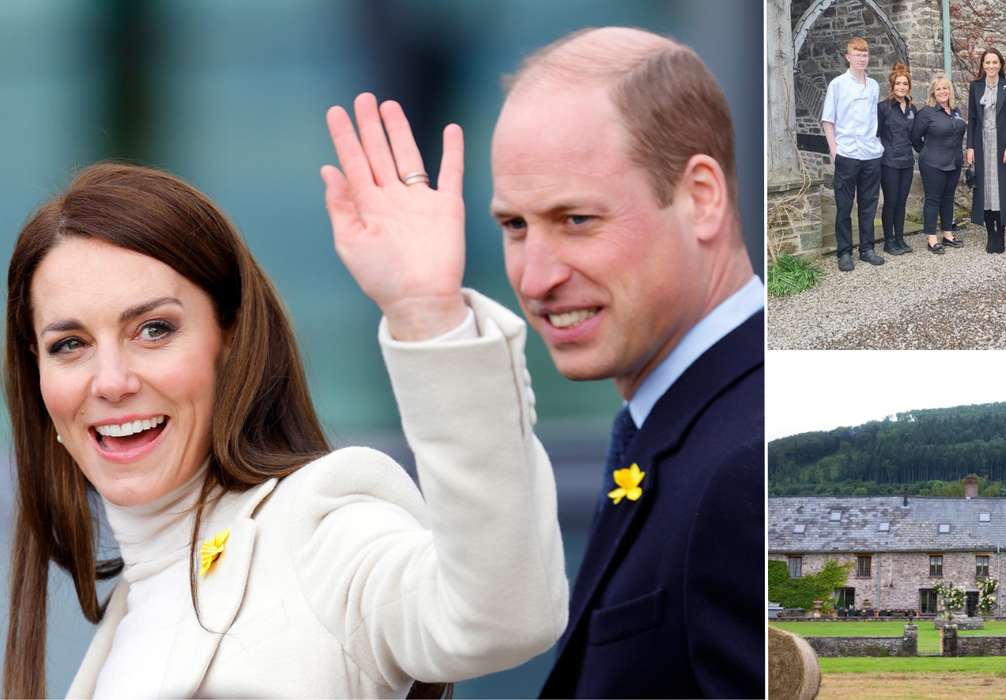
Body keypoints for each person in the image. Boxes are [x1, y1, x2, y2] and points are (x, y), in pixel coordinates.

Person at [5, 96, 569, 697]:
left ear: (232, 341)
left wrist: (430, 317)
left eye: (154, 330)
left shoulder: (318, 526)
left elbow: (499, 619)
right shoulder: (124, 624)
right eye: (69, 344)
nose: (111, 381)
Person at [488, 28, 764, 698]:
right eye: (515, 227)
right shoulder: (692, 429)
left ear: (701, 197)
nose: (535, 278)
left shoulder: (744, 467)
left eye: (576, 219)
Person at [822, 37, 886, 271]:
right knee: (844, 205)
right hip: (847, 154)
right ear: (848, 57)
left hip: (870, 155)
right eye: (858, 55)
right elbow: (828, 119)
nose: (862, 58)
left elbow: (873, 121)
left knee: (869, 204)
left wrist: (877, 144)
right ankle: (844, 252)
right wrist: (834, 150)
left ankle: (867, 249)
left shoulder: (874, 86)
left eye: (865, 55)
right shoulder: (837, 85)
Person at [965, 47, 1006, 254]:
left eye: (995, 62)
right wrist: (970, 146)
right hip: (981, 143)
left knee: (1001, 189)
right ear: (982, 65)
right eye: (987, 62)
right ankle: (990, 234)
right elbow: (971, 118)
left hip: (1002, 144)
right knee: (985, 190)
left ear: (1001, 65)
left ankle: (1001, 234)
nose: (991, 66)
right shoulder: (975, 87)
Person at [912, 73, 967, 254]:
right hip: (933, 164)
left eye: (945, 88)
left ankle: (948, 235)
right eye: (938, 89)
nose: (942, 91)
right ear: (933, 93)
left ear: (950, 91)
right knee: (933, 200)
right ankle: (932, 239)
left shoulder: (956, 112)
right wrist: (928, 152)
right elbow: (915, 139)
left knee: (948, 199)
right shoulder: (926, 113)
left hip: (954, 162)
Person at [877, 62, 918, 256]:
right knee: (891, 201)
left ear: (909, 86)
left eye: (905, 84)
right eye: (898, 83)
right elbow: (875, 134)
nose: (902, 87)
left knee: (902, 202)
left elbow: (915, 136)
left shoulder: (912, 109)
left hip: (907, 161)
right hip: (889, 161)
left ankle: (900, 238)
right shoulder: (883, 108)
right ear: (891, 86)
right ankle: (889, 240)